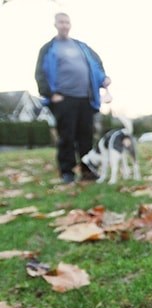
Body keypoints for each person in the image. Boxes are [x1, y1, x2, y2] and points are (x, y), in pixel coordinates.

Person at [35, 12, 111, 184]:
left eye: (67, 22)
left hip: (86, 98)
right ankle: (67, 172)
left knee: (86, 136)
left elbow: (96, 66)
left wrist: (103, 79)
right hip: (64, 99)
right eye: (61, 22)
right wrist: (49, 94)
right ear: (55, 24)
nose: (64, 25)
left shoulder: (81, 46)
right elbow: (40, 73)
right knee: (66, 136)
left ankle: (88, 170)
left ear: (70, 25)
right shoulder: (48, 48)